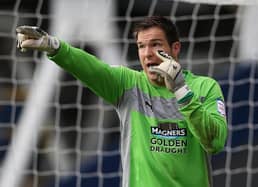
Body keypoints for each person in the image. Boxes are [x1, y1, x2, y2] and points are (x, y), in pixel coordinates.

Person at [16, 16, 227, 187]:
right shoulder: (129, 85)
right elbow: (91, 68)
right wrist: (54, 47)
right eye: (141, 46)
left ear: (175, 49)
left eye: (155, 45)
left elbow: (215, 142)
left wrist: (181, 91)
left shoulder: (205, 87)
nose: (147, 54)